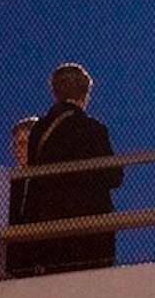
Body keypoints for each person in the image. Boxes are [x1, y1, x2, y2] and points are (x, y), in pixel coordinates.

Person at [10, 63, 124, 275]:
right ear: (85, 94)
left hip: (49, 232)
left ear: (55, 93)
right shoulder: (93, 129)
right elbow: (115, 176)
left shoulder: (39, 130)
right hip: (91, 233)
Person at [0, 116, 35, 280]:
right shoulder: (10, 181)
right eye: (15, 145)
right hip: (12, 262)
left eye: (23, 144)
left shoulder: (47, 180)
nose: (18, 150)